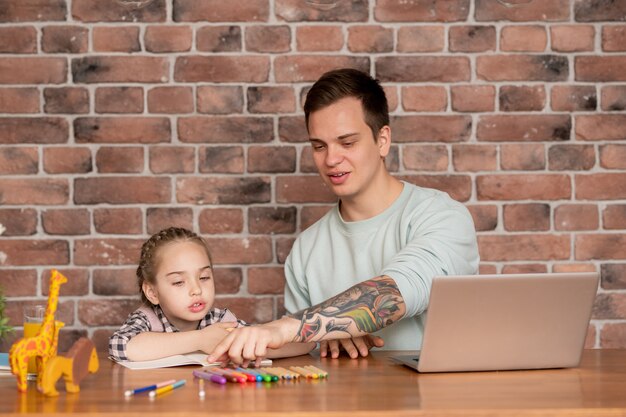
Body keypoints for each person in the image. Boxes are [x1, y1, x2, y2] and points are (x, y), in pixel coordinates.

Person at [208, 68, 479, 365]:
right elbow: (305, 350)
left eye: (347, 143)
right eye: (319, 146)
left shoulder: (442, 217)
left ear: (382, 140)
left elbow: (397, 292)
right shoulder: (307, 248)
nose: (331, 159)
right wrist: (326, 332)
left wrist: (294, 326)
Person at [109, 227, 314, 362]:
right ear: (152, 292)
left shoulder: (219, 321)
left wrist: (310, 340)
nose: (196, 289)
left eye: (204, 277)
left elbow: (293, 344)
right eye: (179, 282)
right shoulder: (147, 319)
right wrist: (201, 340)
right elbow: (121, 346)